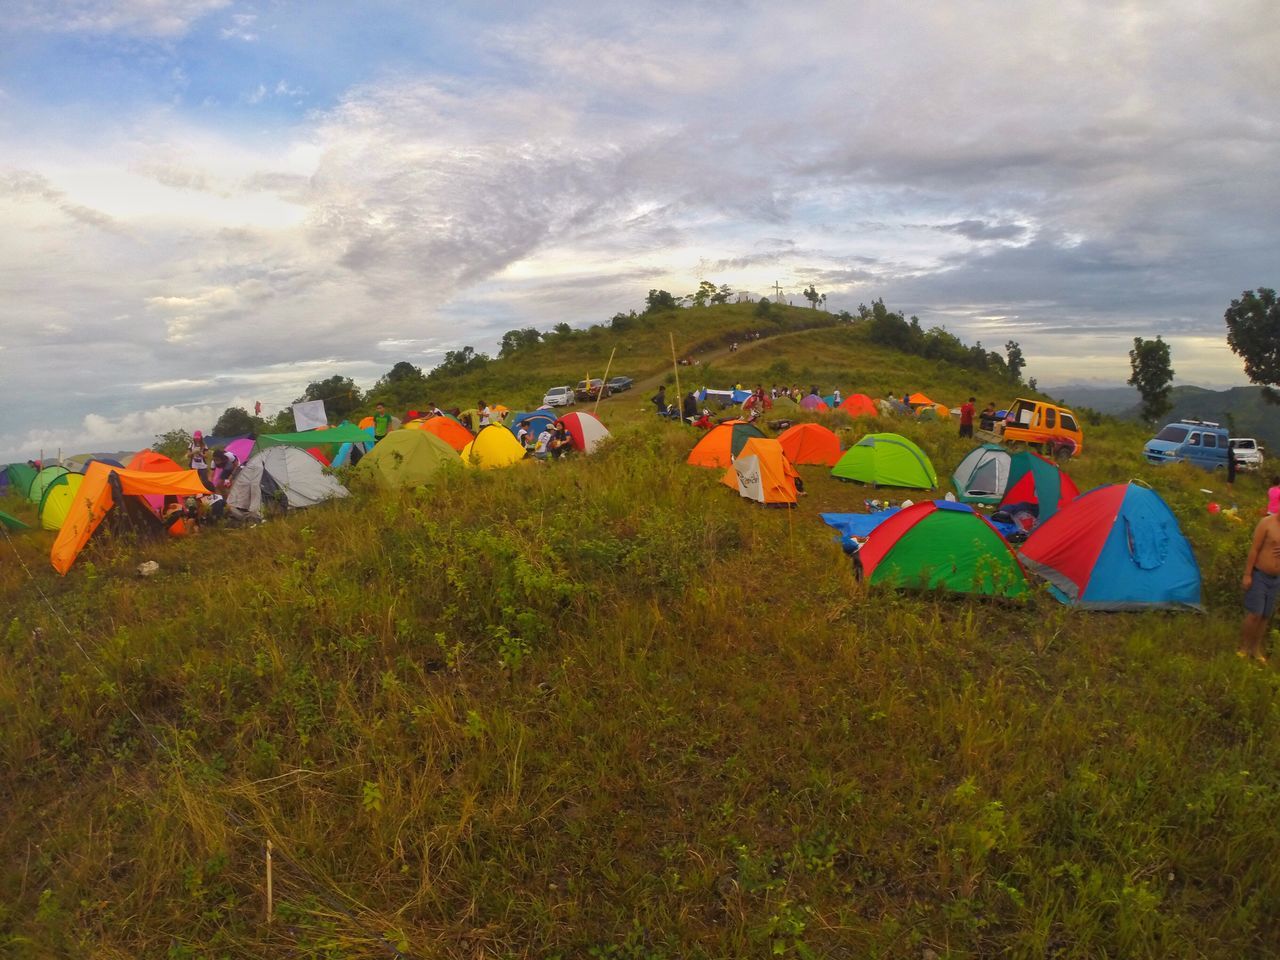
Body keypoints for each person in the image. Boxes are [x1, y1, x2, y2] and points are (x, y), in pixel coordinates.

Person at [1239, 511, 1280, 662]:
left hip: (1276, 579)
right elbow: (1254, 549)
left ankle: (1255, 649)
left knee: (1265, 616)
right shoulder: (1267, 523)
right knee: (1255, 613)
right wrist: (1247, 574)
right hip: (1260, 574)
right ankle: (1244, 648)